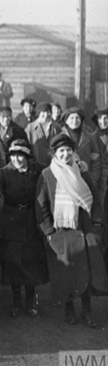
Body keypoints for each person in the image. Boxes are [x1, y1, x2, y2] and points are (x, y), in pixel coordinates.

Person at [36, 133, 108, 328]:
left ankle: (87, 311)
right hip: (62, 229)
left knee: (85, 270)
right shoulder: (47, 174)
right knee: (66, 270)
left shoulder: (81, 171)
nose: (66, 154)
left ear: (74, 152)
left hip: (84, 227)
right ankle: (69, 309)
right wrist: (49, 232)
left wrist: (98, 226)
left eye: (69, 150)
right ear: (55, 154)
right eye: (61, 151)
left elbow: (94, 198)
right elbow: (41, 206)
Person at [0, 139, 48, 318]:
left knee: (30, 262)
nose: (17, 159)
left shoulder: (38, 170)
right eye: (14, 155)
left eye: (21, 155)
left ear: (27, 157)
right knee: (13, 262)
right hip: (10, 221)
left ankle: (30, 303)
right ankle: (16, 303)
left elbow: (56, 172)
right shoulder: (4, 172)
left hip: (31, 219)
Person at [25, 103, 62, 167]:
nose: (46, 115)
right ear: (39, 113)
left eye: (48, 112)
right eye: (43, 112)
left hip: (53, 165)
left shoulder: (57, 128)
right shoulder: (30, 128)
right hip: (36, 165)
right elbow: (26, 147)